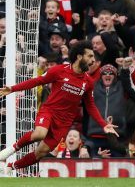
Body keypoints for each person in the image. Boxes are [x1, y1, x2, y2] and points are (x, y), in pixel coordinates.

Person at [0, 40, 118, 174]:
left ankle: (10, 167)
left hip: (64, 121)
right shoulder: (59, 70)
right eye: (90, 56)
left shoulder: (88, 82)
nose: (93, 60)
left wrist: (103, 124)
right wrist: (12, 89)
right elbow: (37, 81)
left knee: (41, 152)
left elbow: (90, 105)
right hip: (49, 111)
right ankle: (11, 150)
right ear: (79, 56)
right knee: (39, 134)